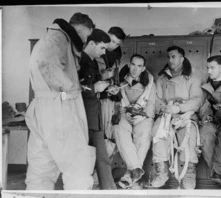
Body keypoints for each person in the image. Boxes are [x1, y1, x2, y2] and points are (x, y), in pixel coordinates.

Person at [25, 13, 96, 190]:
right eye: (86, 36)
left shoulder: (48, 37)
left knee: (41, 170)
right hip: (59, 108)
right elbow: (47, 65)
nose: (85, 41)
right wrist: (72, 87)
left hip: (43, 107)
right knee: (77, 168)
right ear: (78, 30)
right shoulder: (58, 37)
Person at [151, 46, 203, 189]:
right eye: (169, 57)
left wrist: (179, 108)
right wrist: (165, 108)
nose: (170, 60)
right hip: (167, 114)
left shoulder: (192, 78)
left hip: (186, 115)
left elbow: (197, 100)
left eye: (173, 57)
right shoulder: (161, 78)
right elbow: (156, 99)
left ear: (182, 58)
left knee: (190, 134)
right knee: (157, 131)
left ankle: (189, 175)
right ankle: (161, 173)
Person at [78, 29, 117, 190]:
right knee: (84, 160)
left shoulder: (92, 61)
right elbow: (73, 88)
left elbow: (92, 84)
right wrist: (95, 88)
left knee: (102, 158)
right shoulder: (79, 61)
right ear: (91, 43)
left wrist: (106, 88)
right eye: (102, 48)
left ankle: (110, 190)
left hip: (94, 115)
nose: (103, 53)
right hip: (83, 117)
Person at [114, 54, 156, 189]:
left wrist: (142, 116)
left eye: (139, 66)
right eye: (133, 64)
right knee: (120, 131)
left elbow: (151, 103)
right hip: (125, 113)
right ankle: (136, 168)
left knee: (144, 134)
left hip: (142, 115)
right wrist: (125, 114)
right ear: (129, 65)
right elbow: (117, 101)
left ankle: (129, 175)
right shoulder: (120, 79)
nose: (135, 69)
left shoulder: (149, 81)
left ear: (143, 68)